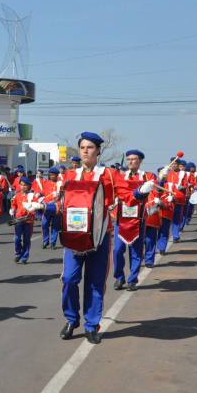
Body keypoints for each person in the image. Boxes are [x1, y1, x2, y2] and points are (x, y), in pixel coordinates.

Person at [56, 132, 151, 344]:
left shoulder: (109, 174)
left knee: (95, 283)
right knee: (69, 279)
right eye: (82, 147)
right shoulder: (70, 175)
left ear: (98, 151)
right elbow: (59, 201)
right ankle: (72, 319)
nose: (85, 151)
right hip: (73, 238)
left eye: (90, 147)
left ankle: (92, 325)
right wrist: (42, 206)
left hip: (99, 237)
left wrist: (140, 193)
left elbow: (128, 197)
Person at [112, 150, 156, 291]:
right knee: (118, 250)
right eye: (128, 159)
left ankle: (132, 279)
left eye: (134, 159)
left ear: (140, 161)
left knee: (136, 251)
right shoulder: (119, 176)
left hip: (138, 219)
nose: (130, 161)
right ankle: (119, 277)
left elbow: (156, 191)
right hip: (121, 218)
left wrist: (161, 179)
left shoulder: (147, 176)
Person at [10, 175, 39, 264]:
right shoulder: (17, 195)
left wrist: (32, 210)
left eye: (25, 185)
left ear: (29, 186)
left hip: (28, 220)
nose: (23, 187)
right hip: (18, 220)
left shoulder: (32, 196)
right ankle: (18, 253)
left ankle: (24, 257)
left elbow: (36, 206)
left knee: (26, 239)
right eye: (21, 185)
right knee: (17, 238)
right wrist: (12, 210)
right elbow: (14, 205)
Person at [167, 158, 189, 243]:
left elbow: (185, 185)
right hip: (169, 200)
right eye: (172, 164)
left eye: (175, 164)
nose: (173, 165)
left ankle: (175, 236)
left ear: (179, 165)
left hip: (179, 199)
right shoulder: (167, 174)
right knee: (167, 220)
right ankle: (165, 236)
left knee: (176, 219)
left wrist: (182, 187)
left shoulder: (183, 174)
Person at [39, 167, 62, 249]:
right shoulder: (47, 183)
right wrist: (38, 194)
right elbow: (43, 192)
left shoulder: (60, 184)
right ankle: (45, 241)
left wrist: (59, 194)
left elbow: (64, 195)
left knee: (55, 226)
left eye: (53, 175)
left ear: (56, 175)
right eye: (50, 175)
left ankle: (53, 242)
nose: (51, 176)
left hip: (57, 207)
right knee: (44, 224)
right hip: (47, 206)